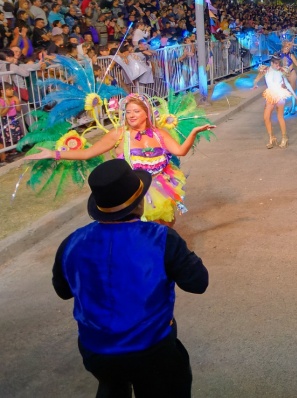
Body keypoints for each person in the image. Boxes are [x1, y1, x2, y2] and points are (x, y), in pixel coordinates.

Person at [52, 159, 208, 397]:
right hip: (152, 348)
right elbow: (198, 282)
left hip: (96, 350)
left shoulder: (72, 242)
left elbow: (63, 290)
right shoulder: (161, 238)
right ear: (139, 202)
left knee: (111, 384)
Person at [26, 94, 215, 224]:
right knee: (139, 231)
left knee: (166, 225)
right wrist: (54, 154)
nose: (131, 115)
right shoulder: (119, 134)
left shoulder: (159, 133)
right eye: (128, 112)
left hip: (162, 185)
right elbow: (87, 153)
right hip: (135, 189)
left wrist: (193, 132)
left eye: (136, 111)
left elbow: (180, 151)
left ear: (146, 113)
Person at [253, 57, 297, 149]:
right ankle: (272, 138)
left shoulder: (281, 71)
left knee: (280, 117)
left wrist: (295, 95)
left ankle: (284, 137)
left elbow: (286, 83)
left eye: (278, 64)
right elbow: (257, 78)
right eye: (275, 64)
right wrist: (255, 84)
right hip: (270, 94)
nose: (277, 66)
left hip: (279, 95)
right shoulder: (265, 70)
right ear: (271, 63)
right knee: (266, 117)